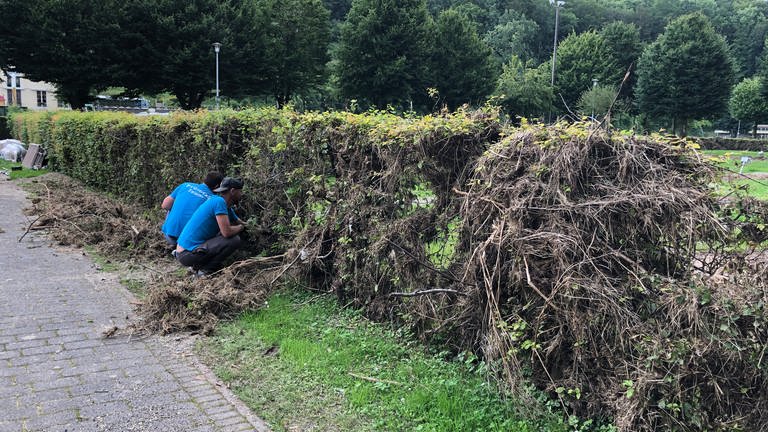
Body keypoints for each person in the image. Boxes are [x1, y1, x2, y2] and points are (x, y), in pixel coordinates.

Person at [175, 177, 246, 276]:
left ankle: (198, 266)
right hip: (186, 254)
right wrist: (241, 228)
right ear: (233, 191)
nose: (241, 194)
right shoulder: (219, 202)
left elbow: (241, 222)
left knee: (222, 234)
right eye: (240, 192)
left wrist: (256, 227)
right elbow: (227, 232)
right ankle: (205, 271)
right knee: (234, 240)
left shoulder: (223, 204)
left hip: (184, 252)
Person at [161, 171, 223, 248]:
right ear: (217, 186)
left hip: (169, 236)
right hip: (189, 243)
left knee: (171, 205)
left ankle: (173, 235)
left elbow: (165, 205)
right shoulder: (213, 200)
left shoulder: (185, 185)